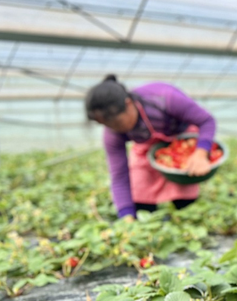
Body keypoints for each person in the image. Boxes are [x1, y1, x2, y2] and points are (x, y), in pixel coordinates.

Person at [85, 75, 217, 219]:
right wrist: (126, 216)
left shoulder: (164, 98)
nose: (113, 128)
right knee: (141, 191)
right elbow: (119, 176)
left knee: (184, 195)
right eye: (106, 125)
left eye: (117, 122)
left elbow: (206, 121)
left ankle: (184, 216)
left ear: (128, 104)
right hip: (149, 150)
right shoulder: (113, 133)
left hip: (181, 143)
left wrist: (200, 153)